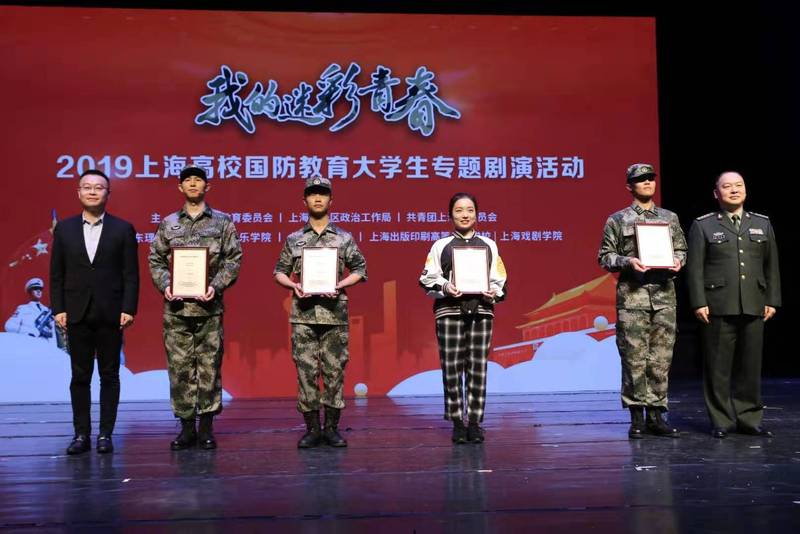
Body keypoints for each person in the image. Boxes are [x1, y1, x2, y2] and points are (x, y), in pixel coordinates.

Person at [149, 166, 242, 450]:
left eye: (198, 180)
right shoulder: (168, 224)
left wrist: (216, 285)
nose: (192, 184)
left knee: (209, 368)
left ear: (207, 187)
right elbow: (156, 260)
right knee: (180, 370)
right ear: (180, 187)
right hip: (176, 311)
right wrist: (166, 284)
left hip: (209, 309)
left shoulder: (222, 222)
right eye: (187, 180)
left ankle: (207, 428)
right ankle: (186, 428)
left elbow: (233, 259)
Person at [50, 169, 139, 455]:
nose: (92, 191)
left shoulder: (122, 229)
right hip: (76, 312)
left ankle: (105, 435)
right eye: (86, 187)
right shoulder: (63, 229)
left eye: (98, 187)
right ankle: (81, 434)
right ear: (78, 193)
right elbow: (57, 275)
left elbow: (130, 275)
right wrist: (58, 308)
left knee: (109, 375)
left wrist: (128, 308)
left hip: (111, 313)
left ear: (107, 193)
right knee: (80, 377)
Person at [273, 177, 367, 449]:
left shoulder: (343, 238)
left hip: (334, 315)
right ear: (304, 200)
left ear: (330, 200)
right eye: (312, 194)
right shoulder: (294, 239)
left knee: (334, 371)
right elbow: (279, 271)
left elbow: (360, 269)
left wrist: (340, 284)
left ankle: (332, 428)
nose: (317, 198)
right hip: (303, 315)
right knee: (306, 372)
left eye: (323, 194)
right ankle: (312, 429)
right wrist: (293, 285)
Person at [686, 171, 781, 439]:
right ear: (716, 193)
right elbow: (695, 269)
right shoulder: (703, 225)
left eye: (739, 185)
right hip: (717, 304)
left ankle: (749, 418)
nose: (734, 190)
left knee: (750, 366)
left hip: (754, 302)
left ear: (746, 190)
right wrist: (699, 302)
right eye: (727, 186)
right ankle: (721, 420)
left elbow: (771, 265)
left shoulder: (761, 223)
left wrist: (772, 299)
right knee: (718, 367)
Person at [598, 163, 686, 439]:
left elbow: (681, 249)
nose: (648, 182)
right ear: (630, 186)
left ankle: (657, 416)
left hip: (664, 297)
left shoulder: (669, 218)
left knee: (661, 358)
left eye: (651, 178)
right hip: (632, 298)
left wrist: (678, 261)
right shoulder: (618, 219)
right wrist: (628, 261)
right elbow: (605, 257)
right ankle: (637, 416)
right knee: (634, 359)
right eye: (641, 179)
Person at [419, 192, 507, 444]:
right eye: (459, 210)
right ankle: (458, 423)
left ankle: (475, 423)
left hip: (481, 310)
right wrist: (446, 286)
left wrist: (493, 291)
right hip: (449, 311)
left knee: (478, 367)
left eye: (469, 210)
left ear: (477, 215)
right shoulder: (441, 245)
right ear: (450, 215)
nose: (465, 215)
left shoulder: (489, 244)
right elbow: (427, 278)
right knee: (451, 366)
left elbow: (499, 278)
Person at [4, 277, 58, 347]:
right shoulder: (23, 309)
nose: (38, 291)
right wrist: (30, 331)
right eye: (35, 288)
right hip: (30, 345)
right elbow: (9, 326)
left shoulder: (47, 310)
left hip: (47, 347)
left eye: (40, 289)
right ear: (29, 292)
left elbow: (53, 333)